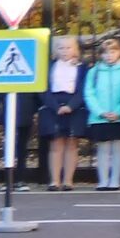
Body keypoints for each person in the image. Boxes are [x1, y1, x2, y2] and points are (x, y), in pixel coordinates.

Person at [41, 34, 86, 190]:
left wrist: (71, 106)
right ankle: (54, 180)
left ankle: (68, 180)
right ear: (56, 50)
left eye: (68, 47)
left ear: (75, 49)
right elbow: (43, 89)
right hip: (53, 105)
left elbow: (83, 89)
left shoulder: (81, 67)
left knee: (72, 144)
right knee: (56, 144)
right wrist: (55, 106)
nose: (65, 51)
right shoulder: (50, 66)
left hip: (74, 105)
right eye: (61, 48)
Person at [84, 35, 120, 190]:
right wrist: (100, 112)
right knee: (103, 148)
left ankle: (115, 180)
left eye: (113, 52)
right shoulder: (95, 72)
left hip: (119, 117)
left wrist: (118, 112)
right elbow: (89, 93)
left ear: (119, 52)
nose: (109, 55)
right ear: (101, 54)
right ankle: (103, 180)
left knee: (118, 148)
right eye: (106, 52)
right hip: (99, 117)